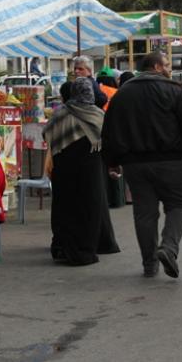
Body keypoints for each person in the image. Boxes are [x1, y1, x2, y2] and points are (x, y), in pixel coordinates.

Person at [102, 51, 182, 278]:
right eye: (166, 64)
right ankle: (168, 248)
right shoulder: (174, 91)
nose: (169, 68)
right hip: (171, 161)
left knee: (144, 214)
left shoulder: (122, 94)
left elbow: (110, 130)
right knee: (180, 206)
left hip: (135, 165)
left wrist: (112, 162)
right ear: (156, 66)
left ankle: (150, 265)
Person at [43, 78, 112, 265]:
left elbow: (47, 134)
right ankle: (86, 250)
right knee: (89, 208)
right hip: (91, 170)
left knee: (66, 208)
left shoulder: (60, 114)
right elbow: (108, 139)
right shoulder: (98, 114)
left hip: (64, 169)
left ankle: (65, 249)